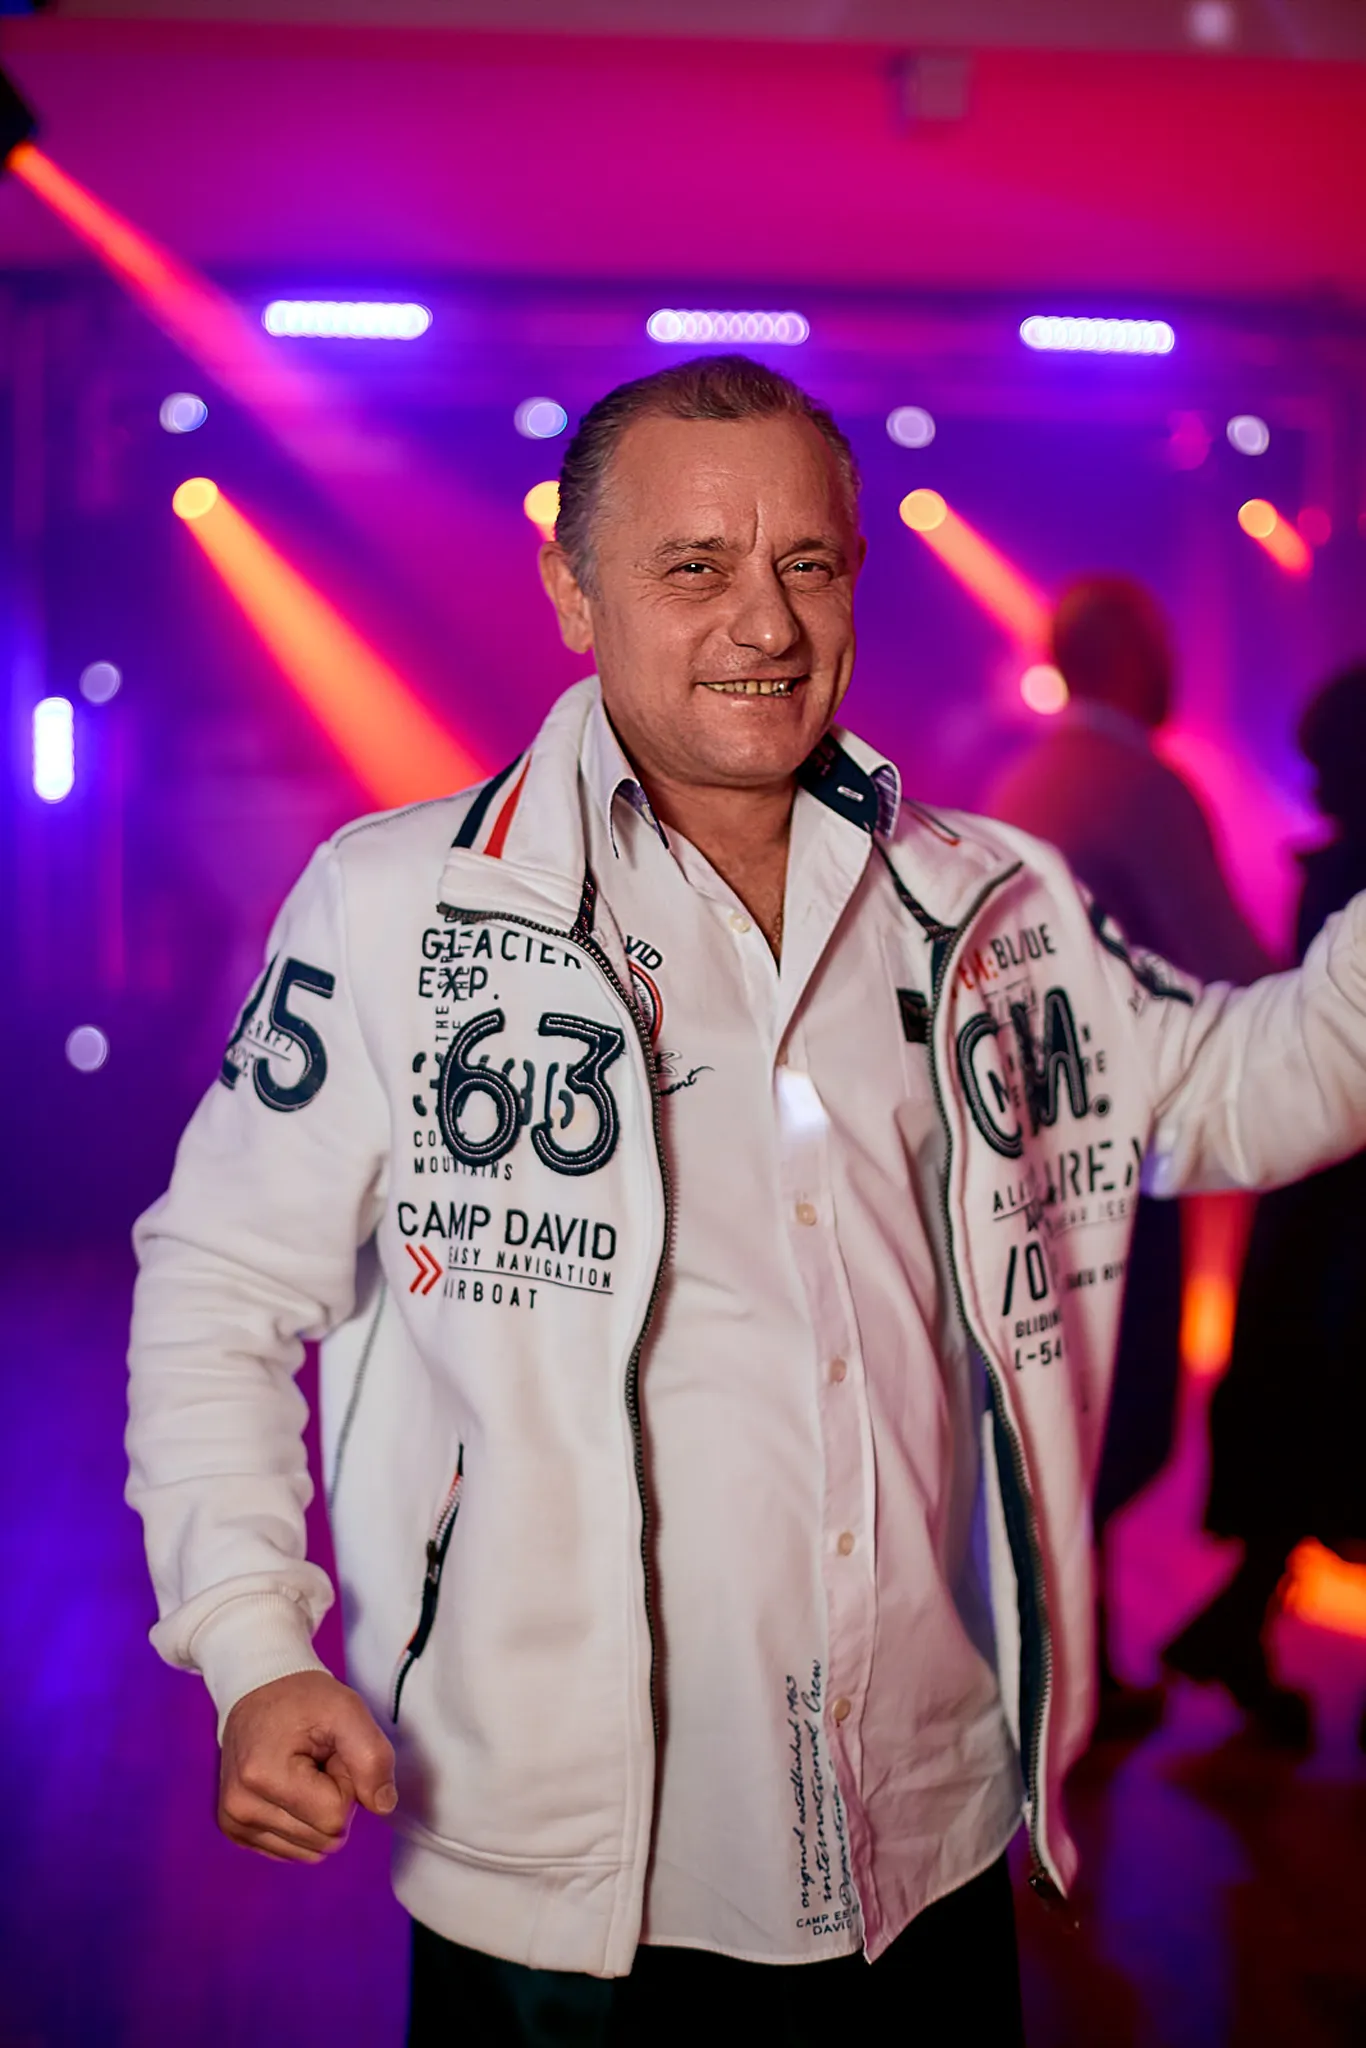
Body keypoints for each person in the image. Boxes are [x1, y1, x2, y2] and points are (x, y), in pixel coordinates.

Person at [126, 357, 1366, 2046]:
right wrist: (252, 1638)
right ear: (574, 591)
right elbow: (218, 1283)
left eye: (806, 564)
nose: (764, 622)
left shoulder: (984, 901)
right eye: (694, 566)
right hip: (558, 1885)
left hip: (924, 1842)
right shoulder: (397, 907)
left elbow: (1245, 1082)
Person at [986, 578, 1270, 1735]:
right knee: (1124, 1405)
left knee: (1061, 1398)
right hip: (1110, 1142)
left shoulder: (1024, 780)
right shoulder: (1139, 785)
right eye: (1158, 644)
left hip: (1020, 1140)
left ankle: (1069, 1661)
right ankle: (1074, 1678)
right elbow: (1227, 962)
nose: (1174, 664)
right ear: (1127, 658)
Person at [1162, 662, 1366, 1749]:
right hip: (1348, 1202)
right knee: (1331, 1411)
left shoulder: (1327, 870)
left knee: (1304, 1410)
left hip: (1316, 1194)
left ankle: (1236, 1622)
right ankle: (1236, 1625)